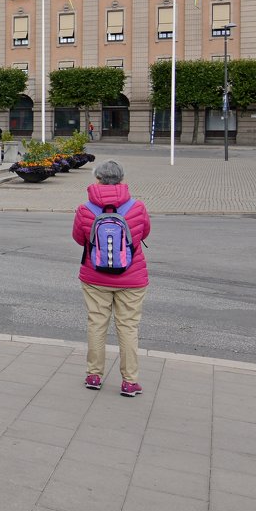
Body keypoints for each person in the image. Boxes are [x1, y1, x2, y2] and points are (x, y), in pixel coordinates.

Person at [71, 160, 151, 398]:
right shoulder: (137, 206)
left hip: (95, 275)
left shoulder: (85, 209)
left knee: (97, 324)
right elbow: (143, 233)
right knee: (127, 327)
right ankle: (129, 382)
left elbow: (79, 238)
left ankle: (94, 375)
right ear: (122, 179)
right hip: (132, 277)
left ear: (97, 179)